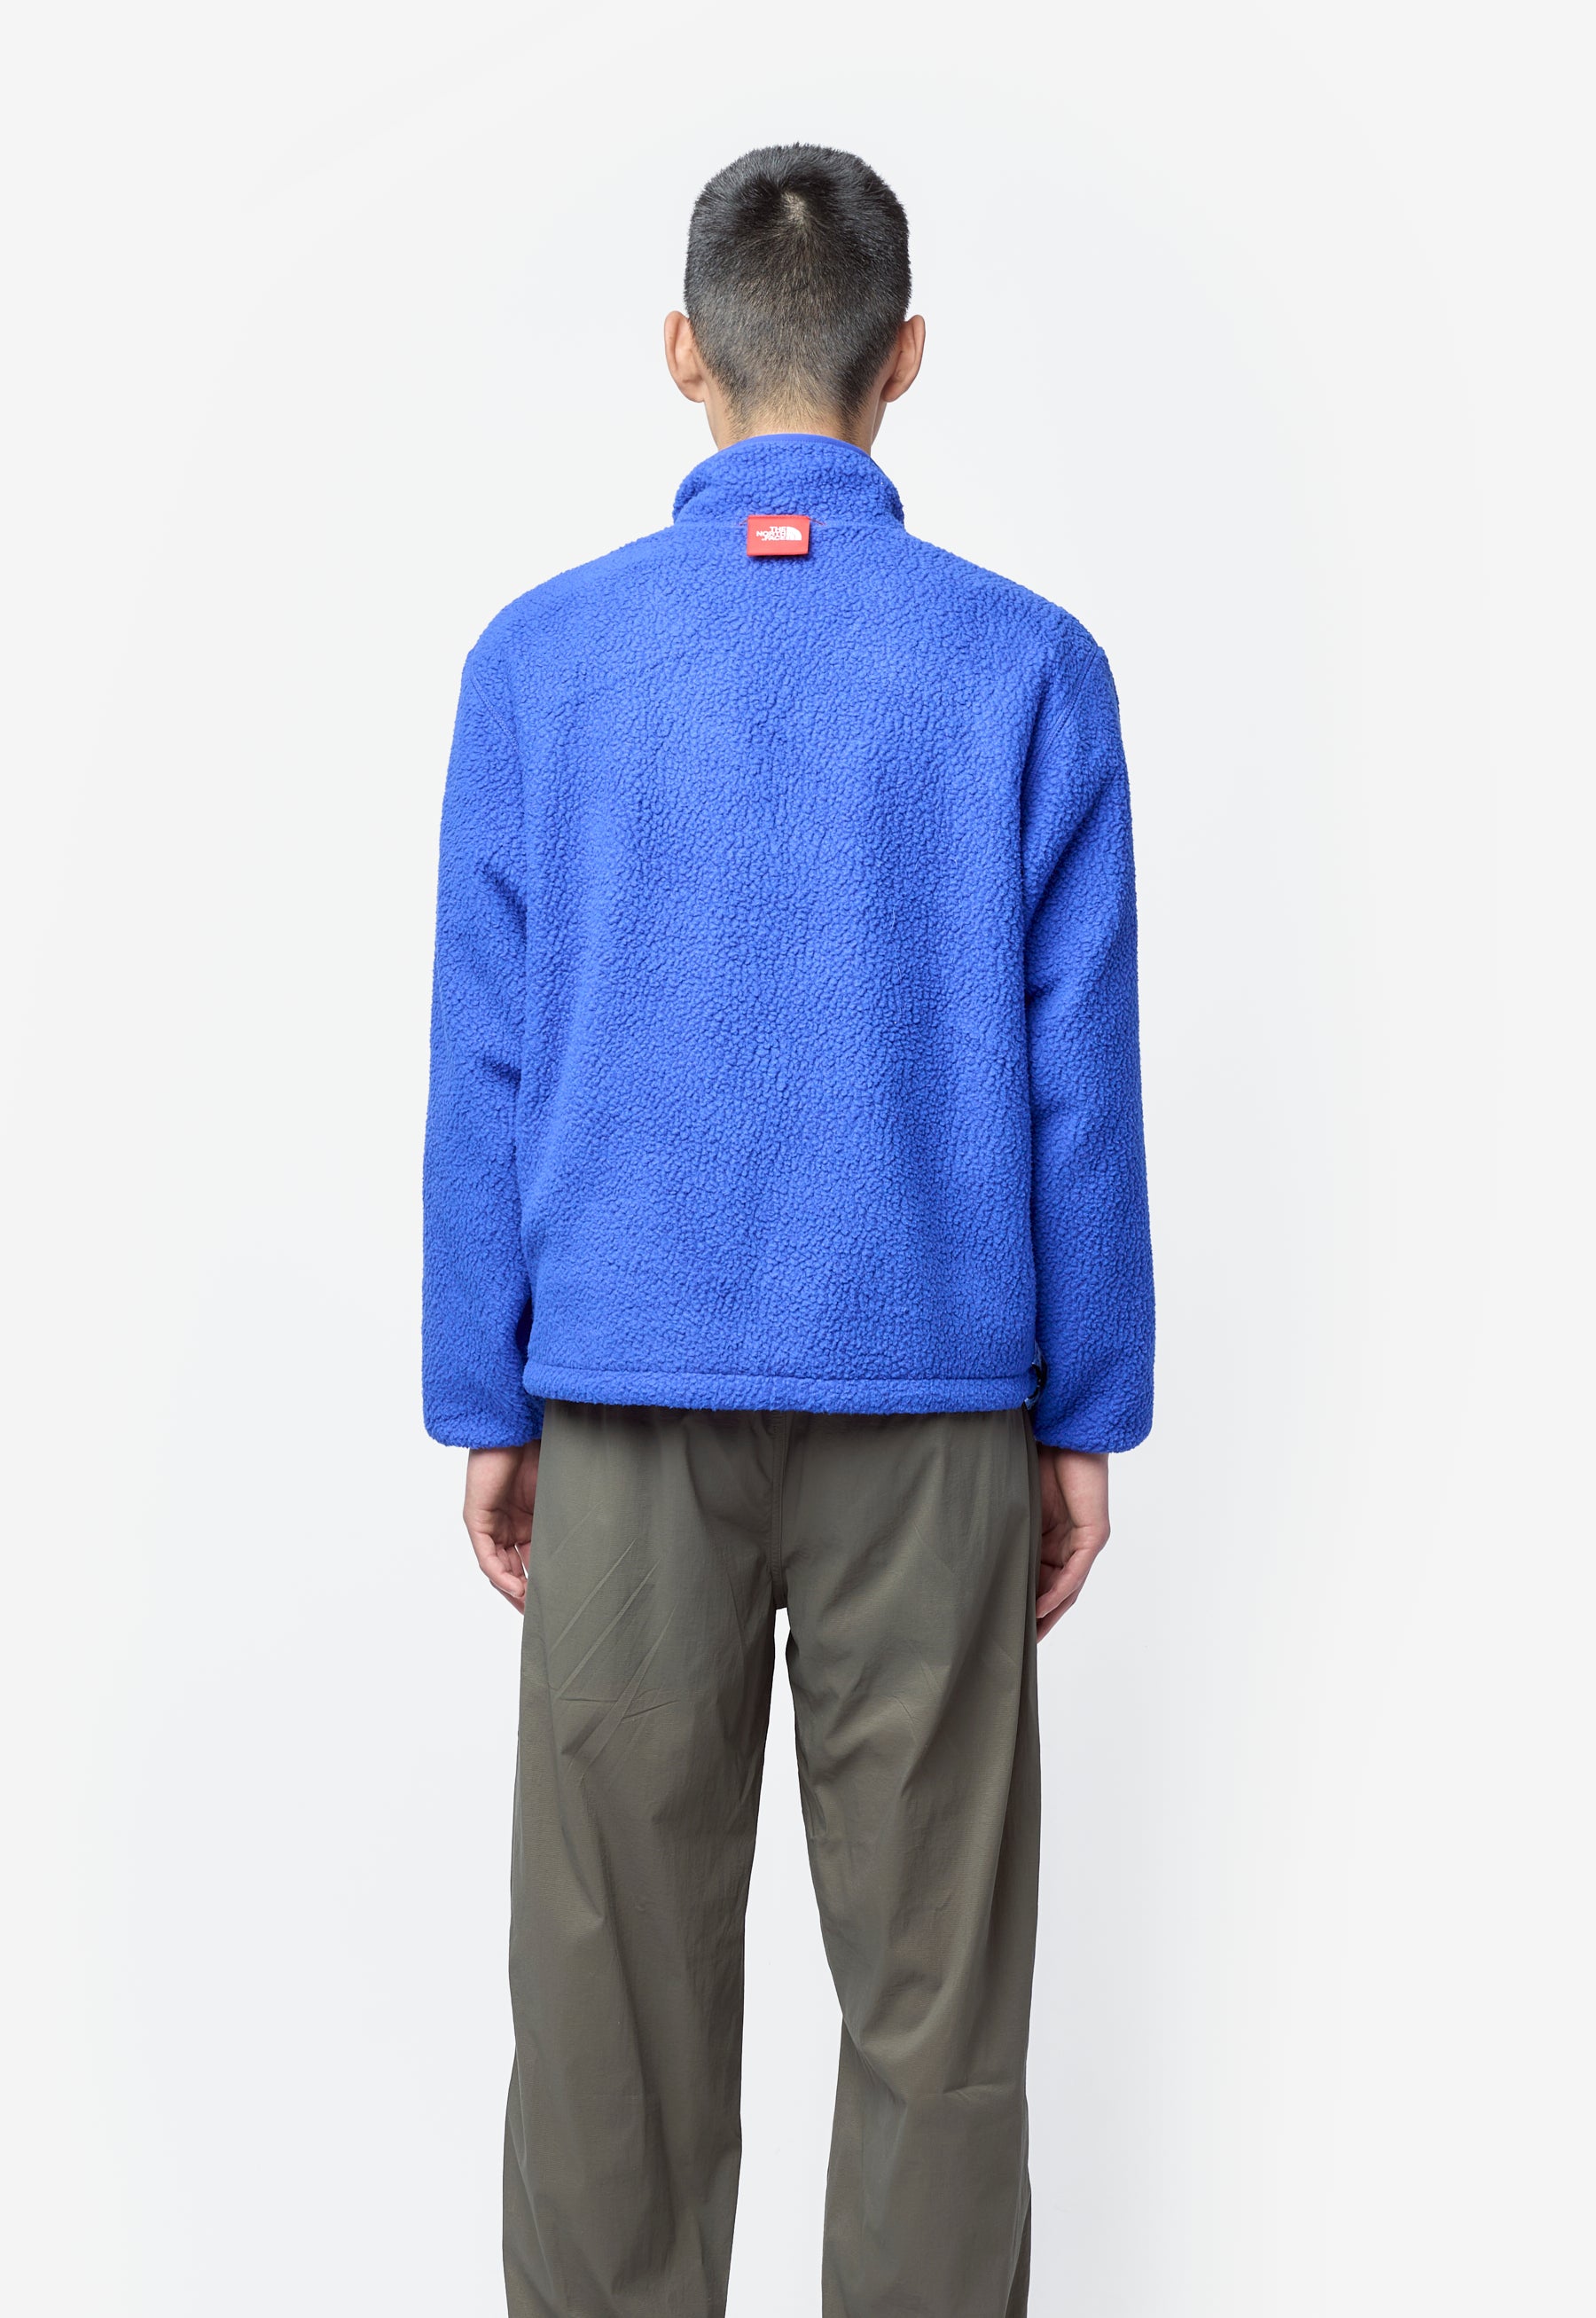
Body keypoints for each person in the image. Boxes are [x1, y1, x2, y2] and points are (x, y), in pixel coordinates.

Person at [423, 142, 1154, 2318]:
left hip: (618, 1390)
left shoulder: (541, 664)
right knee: (937, 2002)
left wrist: (485, 1389)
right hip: (935, 1398)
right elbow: (1080, 1077)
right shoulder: (1027, 667)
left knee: (607, 2005)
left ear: (684, 352)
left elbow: (489, 1057)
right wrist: (1085, 1412)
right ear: (902, 359)